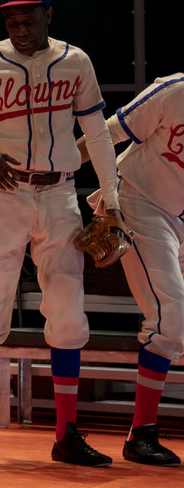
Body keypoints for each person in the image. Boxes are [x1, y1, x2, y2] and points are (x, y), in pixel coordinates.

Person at [0, 0, 120, 467]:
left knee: (67, 314)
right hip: (4, 197)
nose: (19, 27)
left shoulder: (76, 61)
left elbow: (99, 134)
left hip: (60, 195)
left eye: (28, 16)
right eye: (11, 19)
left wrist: (110, 201)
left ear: (49, 14)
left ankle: (67, 433)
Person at [77, 75, 184, 466]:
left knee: (176, 323)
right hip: (137, 202)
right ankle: (141, 434)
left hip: (179, 218)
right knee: (169, 319)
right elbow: (108, 134)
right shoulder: (176, 90)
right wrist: (59, 170)